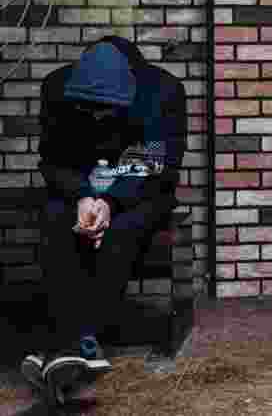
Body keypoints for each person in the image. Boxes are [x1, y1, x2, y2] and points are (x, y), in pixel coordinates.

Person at [22, 36, 186, 404]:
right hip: (78, 188)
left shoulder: (162, 91)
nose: (98, 117)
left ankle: (68, 342)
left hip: (143, 190)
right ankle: (72, 347)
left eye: (107, 110)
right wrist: (82, 196)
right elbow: (53, 159)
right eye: (90, 108)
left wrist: (110, 201)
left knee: (119, 232)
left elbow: (158, 162)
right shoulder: (58, 87)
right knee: (58, 225)